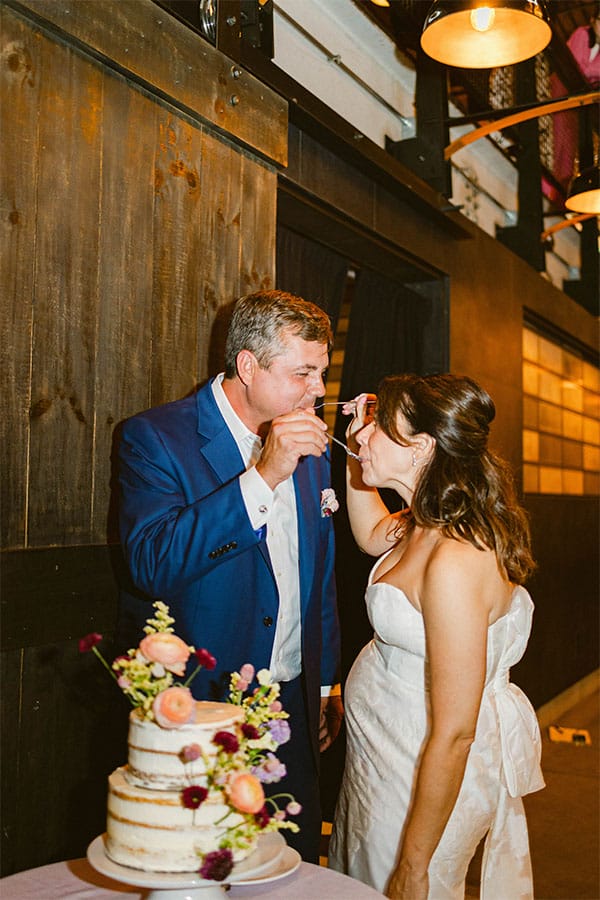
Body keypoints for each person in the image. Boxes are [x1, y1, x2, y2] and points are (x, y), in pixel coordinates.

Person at [117, 289, 343, 863]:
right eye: (303, 373)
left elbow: (316, 571)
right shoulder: (155, 438)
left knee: (289, 860)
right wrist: (264, 474)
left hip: (293, 697)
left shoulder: (310, 441)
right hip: (203, 704)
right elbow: (151, 564)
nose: (317, 390)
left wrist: (321, 685)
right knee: (204, 861)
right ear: (248, 365)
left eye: (321, 372)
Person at [328, 374, 544, 899]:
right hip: (379, 758)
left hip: (420, 771)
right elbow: (367, 534)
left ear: (422, 447)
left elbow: (454, 733)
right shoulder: (421, 520)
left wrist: (415, 863)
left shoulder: (456, 559)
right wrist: (360, 453)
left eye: (378, 427)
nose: (361, 435)